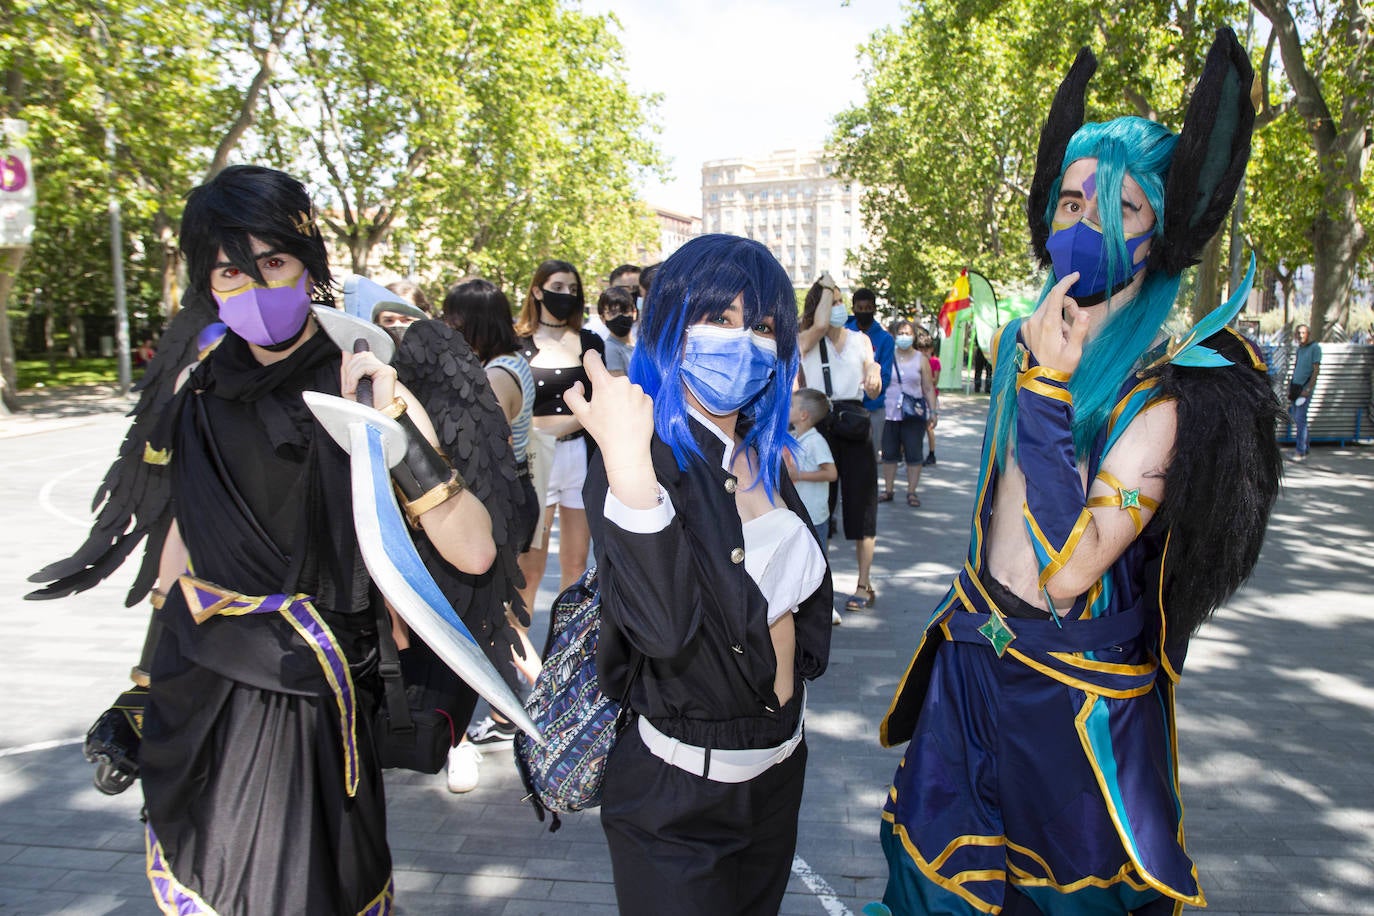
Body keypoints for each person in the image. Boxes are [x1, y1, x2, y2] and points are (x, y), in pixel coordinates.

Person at [874, 32, 1282, 915]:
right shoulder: (1033, 352)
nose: (1081, 224)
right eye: (1068, 201)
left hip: (1069, 714)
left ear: (1163, 232)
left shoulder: (1164, 404)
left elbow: (1066, 572)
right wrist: (1040, 377)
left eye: (1119, 209)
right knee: (932, 889)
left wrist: (1052, 391)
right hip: (972, 667)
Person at [56, 165, 497, 913]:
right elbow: (182, 544)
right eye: (232, 269)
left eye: (274, 262)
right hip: (209, 689)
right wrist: (143, 687)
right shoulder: (195, 390)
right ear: (209, 282)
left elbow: (476, 551)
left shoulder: (365, 385)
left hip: (320, 696)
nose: (256, 286)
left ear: (307, 266)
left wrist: (394, 435)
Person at [566, 233, 832, 916]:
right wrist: (629, 473)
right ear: (673, 325)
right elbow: (662, 628)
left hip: (776, 783)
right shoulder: (639, 454)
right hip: (678, 809)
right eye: (719, 318)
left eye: (763, 326)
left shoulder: (761, 448)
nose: (742, 342)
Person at [438, 276, 541, 792]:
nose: (447, 328)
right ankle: (540, 703)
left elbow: (476, 434)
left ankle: (537, 707)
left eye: (455, 319)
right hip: (502, 503)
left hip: (495, 508)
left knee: (485, 620)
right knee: (496, 619)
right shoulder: (501, 365)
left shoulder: (500, 372)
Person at [513, 259, 604, 680]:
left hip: (578, 458)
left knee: (574, 566)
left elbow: (600, 401)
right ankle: (519, 669)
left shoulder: (588, 342)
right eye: (555, 285)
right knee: (528, 570)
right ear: (536, 290)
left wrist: (565, 426)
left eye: (571, 285)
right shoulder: (517, 343)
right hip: (534, 460)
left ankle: (563, 667)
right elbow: (514, 411)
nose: (564, 292)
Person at [798, 273, 882, 612]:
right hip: (820, 422)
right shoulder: (805, 338)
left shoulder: (861, 340)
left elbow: (872, 380)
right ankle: (816, 586)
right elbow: (817, 327)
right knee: (818, 507)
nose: (837, 307)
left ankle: (864, 583)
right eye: (830, 301)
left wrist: (874, 374)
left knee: (862, 507)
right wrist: (826, 288)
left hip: (854, 424)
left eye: (838, 300)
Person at [786, 387, 842, 625]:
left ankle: (826, 606)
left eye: (791, 406)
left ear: (804, 415)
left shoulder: (816, 441)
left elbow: (831, 472)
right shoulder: (799, 437)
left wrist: (798, 475)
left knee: (819, 559)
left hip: (814, 514)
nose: (786, 409)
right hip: (803, 513)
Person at [879, 319, 937, 507]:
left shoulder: (921, 359)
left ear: (914, 336)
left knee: (914, 453)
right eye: (901, 333)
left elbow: (928, 387)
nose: (904, 337)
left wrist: (933, 411)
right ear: (895, 335)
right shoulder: (888, 356)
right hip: (889, 412)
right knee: (889, 454)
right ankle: (888, 489)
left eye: (908, 333)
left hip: (913, 413)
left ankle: (912, 492)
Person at [846, 287, 895, 452]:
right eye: (860, 309)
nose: (864, 312)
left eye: (868, 308)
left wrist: (865, 394)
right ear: (853, 309)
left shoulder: (885, 339)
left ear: (874, 309)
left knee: (869, 461)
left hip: (872, 407)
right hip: (845, 406)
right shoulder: (844, 332)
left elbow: (885, 376)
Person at [1289, 323, 1321, 460]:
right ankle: (1305, 447)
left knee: (1299, 419)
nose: (1301, 335)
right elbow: (1296, 367)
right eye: (1299, 333)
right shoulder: (1300, 349)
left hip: (1304, 388)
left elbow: (1316, 370)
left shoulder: (1315, 348)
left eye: (1303, 333)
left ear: (1308, 334)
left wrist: (1308, 389)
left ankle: (1300, 451)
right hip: (1296, 387)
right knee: (1299, 419)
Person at [598, 285, 637, 375]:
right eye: (613, 313)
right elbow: (620, 385)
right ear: (603, 318)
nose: (620, 316)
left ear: (634, 312)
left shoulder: (639, 344)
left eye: (625, 311)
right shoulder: (610, 348)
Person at [917, 332, 941, 465]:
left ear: (931, 349)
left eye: (926, 349)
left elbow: (934, 381)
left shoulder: (934, 361)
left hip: (930, 398)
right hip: (918, 397)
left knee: (929, 427)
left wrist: (924, 377)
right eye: (921, 349)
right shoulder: (917, 360)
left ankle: (932, 453)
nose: (923, 352)